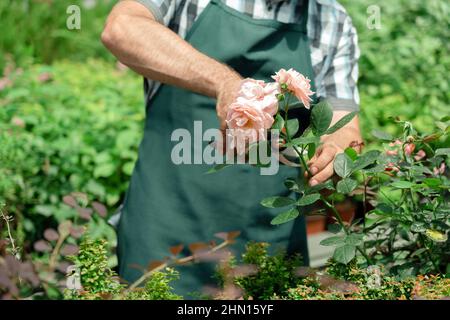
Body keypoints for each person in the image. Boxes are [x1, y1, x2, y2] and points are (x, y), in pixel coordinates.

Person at [101, 0, 363, 296]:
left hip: (270, 245)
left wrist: (339, 150)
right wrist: (223, 82)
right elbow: (122, 28)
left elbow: (345, 126)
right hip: (166, 237)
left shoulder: (333, 21)